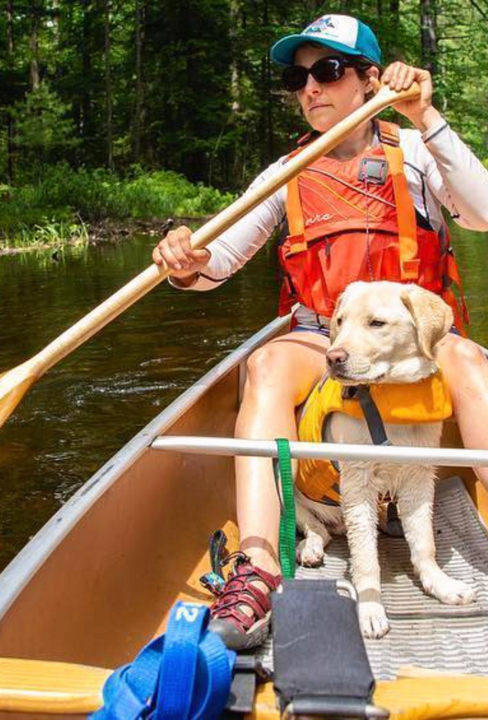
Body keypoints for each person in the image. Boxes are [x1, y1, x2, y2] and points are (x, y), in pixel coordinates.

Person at [152, 13, 488, 650]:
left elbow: (483, 212)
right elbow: (215, 264)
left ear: (366, 79)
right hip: (325, 338)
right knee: (268, 367)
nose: (310, 87)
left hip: (412, 341)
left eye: (328, 71)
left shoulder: (413, 150)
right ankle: (258, 563)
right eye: (297, 77)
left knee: (472, 362)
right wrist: (186, 262)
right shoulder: (284, 173)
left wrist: (428, 117)